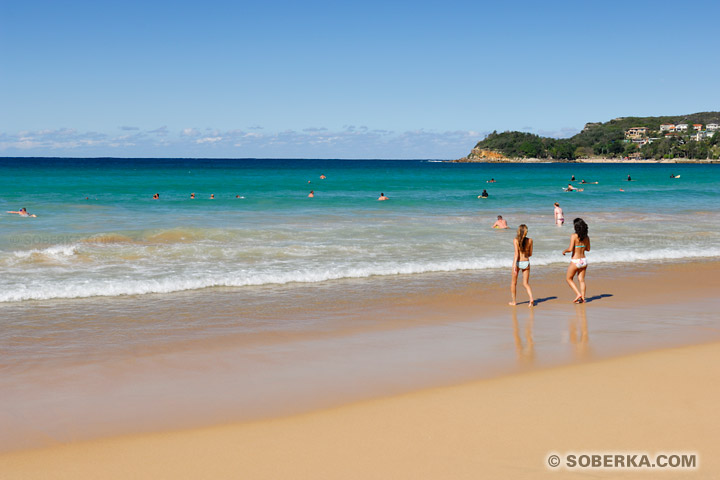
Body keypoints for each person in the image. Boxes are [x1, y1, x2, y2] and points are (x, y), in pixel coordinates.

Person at [562, 218, 591, 304]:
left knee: (568, 279)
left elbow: (570, 249)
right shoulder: (586, 237)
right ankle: (582, 298)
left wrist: (564, 251)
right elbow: (588, 249)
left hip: (575, 261)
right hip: (584, 260)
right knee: (581, 280)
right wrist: (581, 247)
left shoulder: (574, 236)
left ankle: (578, 294)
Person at [510, 224, 534, 307]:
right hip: (526, 262)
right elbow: (530, 254)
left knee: (513, 283)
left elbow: (516, 254)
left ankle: (514, 301)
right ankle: (531, 299)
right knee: (526, 283)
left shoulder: (515, 240)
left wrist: (513, 266)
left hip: (518, 262)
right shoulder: (530, 240)